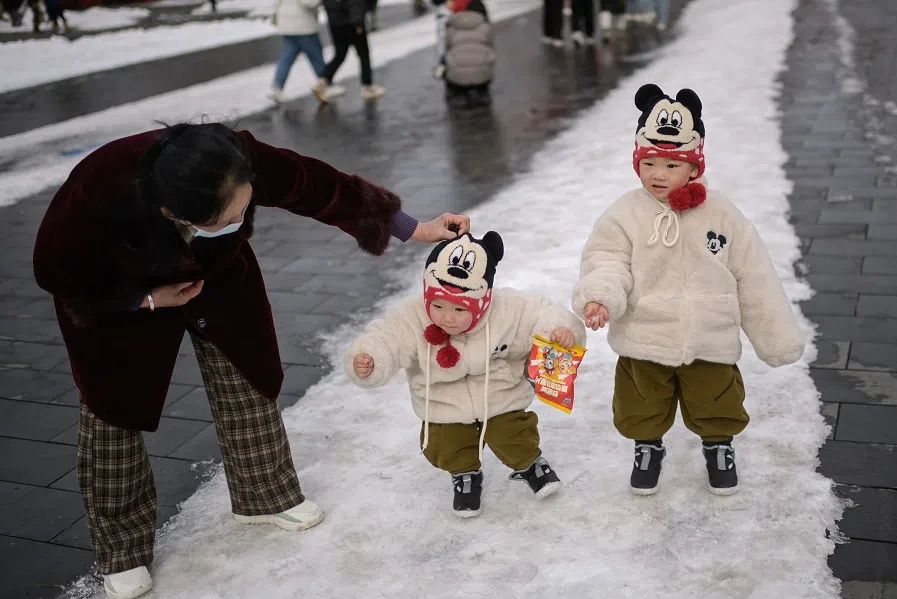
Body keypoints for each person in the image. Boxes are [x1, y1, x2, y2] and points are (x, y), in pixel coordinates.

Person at [32, 122, 470, 599]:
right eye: (232, 214)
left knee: (248, 369)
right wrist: (146, 299)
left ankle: (264, 494)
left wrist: (408, 226)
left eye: (248, 203)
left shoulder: (231, 156)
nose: (246, 213)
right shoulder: (97, 195)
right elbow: (58, 271)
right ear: (173, 213)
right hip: (120, 293)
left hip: (216, 274)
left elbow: (314, 184)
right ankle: (122, 549)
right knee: (113, 407)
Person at [571, 84, 805, 497]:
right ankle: (647, 446)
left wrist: (776, 339)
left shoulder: (721, 212)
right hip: (645, 333)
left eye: (671, 165)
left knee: (716, 398)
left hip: (709, 333)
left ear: (694, 168)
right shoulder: (624, 213)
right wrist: (600, 297)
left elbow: (754, 274)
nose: (658, 174)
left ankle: (719, 446)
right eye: (649, 163)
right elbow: (606, 260)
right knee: (640, 402)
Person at [346, 231, 585, 517]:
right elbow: (388, 337)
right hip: (442, 403)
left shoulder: (508, 310)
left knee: (513, 433)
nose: (447, 317)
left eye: (460, 309)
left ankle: (529, 464)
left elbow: (541, 313)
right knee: (446, 444)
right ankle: (465, 474)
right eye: (437, 306)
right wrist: (371, 357)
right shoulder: (411, 318)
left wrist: (558, 330)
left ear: (483, 301)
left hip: (500, 393)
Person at [269, 0, 345, 104]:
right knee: (316, 55)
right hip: (302, 24)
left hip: (285, 22)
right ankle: (326, 85)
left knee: (287, 56)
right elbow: (308, 2)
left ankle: (277, 87)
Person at [314, 0, 385, 103]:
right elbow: (355, 3)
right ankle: (367, 87)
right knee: (363, 54)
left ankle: (322, 82)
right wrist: (358, 22)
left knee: (340, 55)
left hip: (335, 23)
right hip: (351, 22)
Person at [438, 0, 494, 107]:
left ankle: (459, 94)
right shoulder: (485, 27)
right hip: (483, 76)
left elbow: (445, 51)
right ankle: (482, 92)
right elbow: (491, 50)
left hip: (457, 78)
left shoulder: (451, 29)